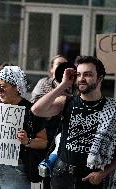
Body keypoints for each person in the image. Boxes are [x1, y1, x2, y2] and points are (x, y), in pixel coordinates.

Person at [31, 55, 116, 189]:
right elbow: (36, 110)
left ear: (99, 78)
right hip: (62, 177)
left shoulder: (114, 110)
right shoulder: (66, 101)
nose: (81, 79)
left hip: (92, 180)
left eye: (87, 74)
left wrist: (103, 174)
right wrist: (63, 85)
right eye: (79, 74)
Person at [30, 55, 68, 189]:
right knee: (38, 178)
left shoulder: (72, 87)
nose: (62, 68)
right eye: (59, 64)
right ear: (52, 69)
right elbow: (36, 110)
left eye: (65, 65)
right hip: (42, 134)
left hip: (60, 137)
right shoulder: (43, 83)